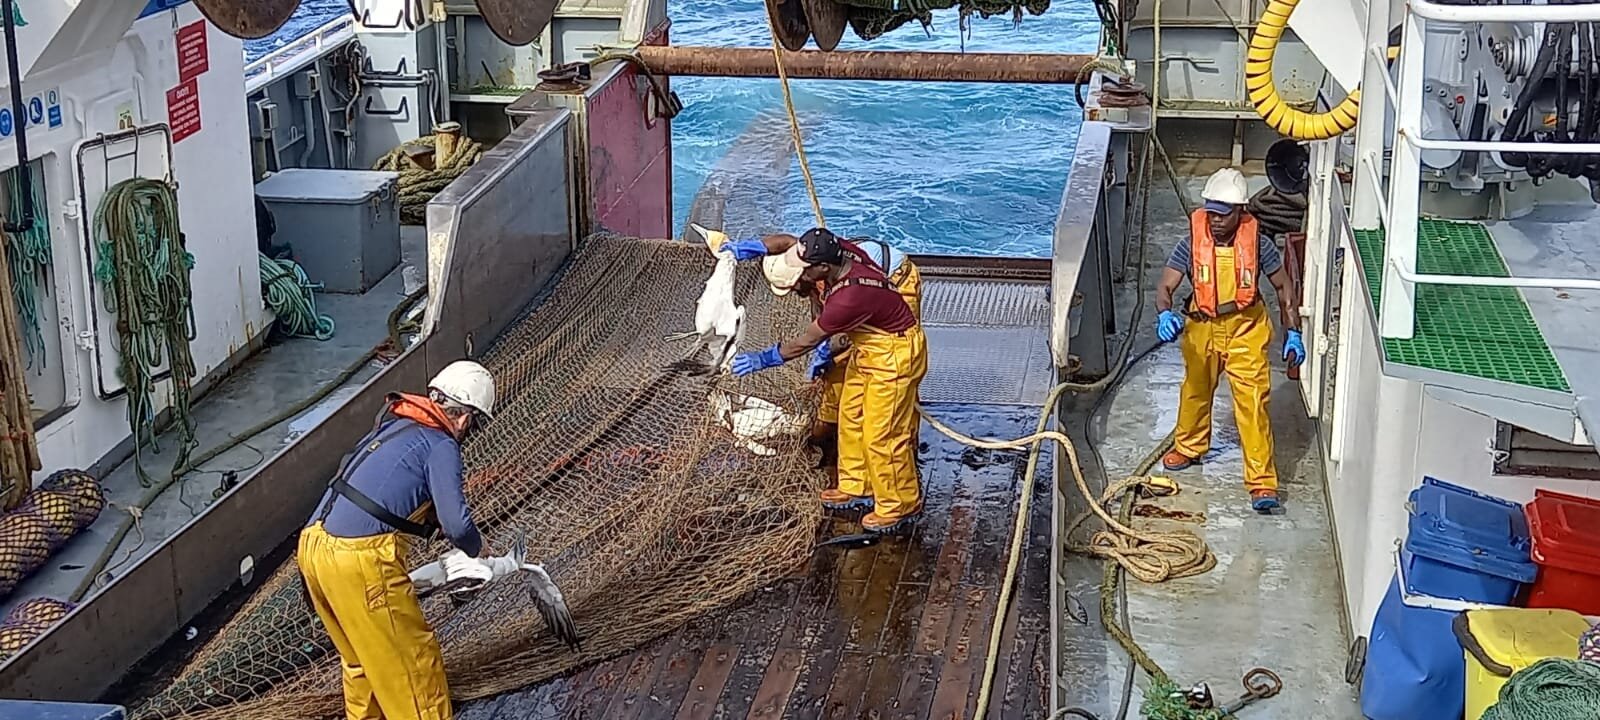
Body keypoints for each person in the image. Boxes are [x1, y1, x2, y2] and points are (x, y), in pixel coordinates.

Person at [298, 360, 496, 720]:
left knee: (362, 661)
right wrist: (477, 551)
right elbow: (457, 524)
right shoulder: (441, 445)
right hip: (359, 562)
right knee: (413, 666)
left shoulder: (395, 425)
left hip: (313, 546)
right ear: (466, 418)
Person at [724, 228, 929, 534]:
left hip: (894, 356)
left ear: (822, 268)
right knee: (851, 416)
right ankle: (856, 484)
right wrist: (753, 248)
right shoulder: (835, 251)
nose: (800, 279)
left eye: (802, 273)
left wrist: (764, 359)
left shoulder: (849, 297)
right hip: (868, 350)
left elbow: (806, 341)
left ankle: (899, 503)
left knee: (882, 433)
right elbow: (788, 242)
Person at [1154, 167, 1303, 514]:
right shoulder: (1191, 243)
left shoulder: (1260, 245)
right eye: (1211, 212)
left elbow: (1283, 288)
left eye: (1223, 214)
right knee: (1195, 390)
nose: (1216, 220)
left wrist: (1293, 331)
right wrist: (1164, 312)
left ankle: (1262, 481)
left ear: (1240, 212)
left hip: (1245, 328)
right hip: (1202, 326)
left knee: (1252, 403)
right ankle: (1189, 446)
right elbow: (1166, 285)